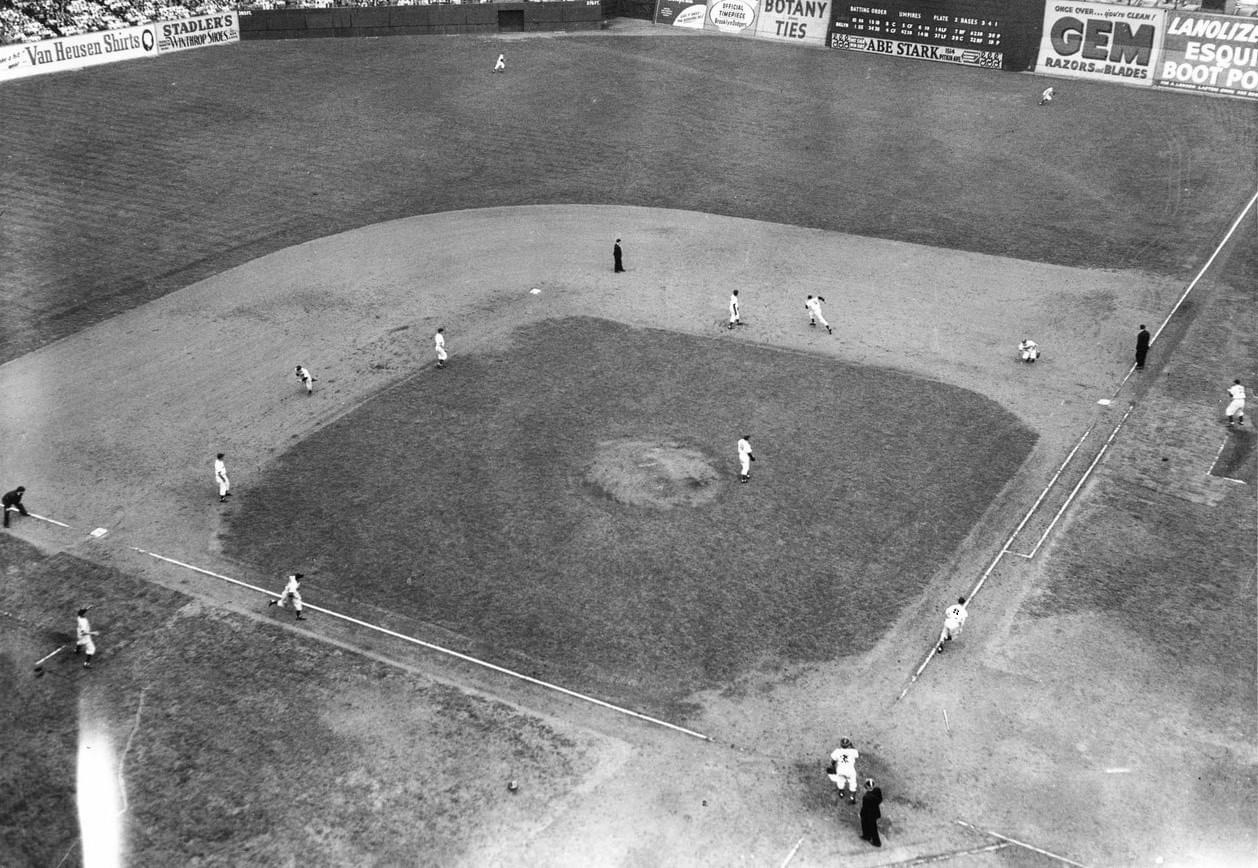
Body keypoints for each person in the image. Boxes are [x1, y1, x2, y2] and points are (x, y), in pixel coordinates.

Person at [827, 738, 860, 804]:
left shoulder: (837, 751)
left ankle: (841, 793)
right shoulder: (852, 751)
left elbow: (833, 761)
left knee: (840, 781)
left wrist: (832, 766)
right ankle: (852, 798)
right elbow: (857, 754)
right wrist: (852, 745)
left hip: (841, 770)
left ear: (841, 744)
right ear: (848, 745)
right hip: (850, 771)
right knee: (852, 783)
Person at [859, 778, 883, 847]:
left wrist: (861, 813)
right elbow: (880, 799)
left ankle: (875, 841)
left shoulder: (866, 797)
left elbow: (864, 807)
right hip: (875, 812)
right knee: (872, 827)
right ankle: (868, 836)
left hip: (868, 814)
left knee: (868, 826)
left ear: (866, 787)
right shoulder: (877, 790)